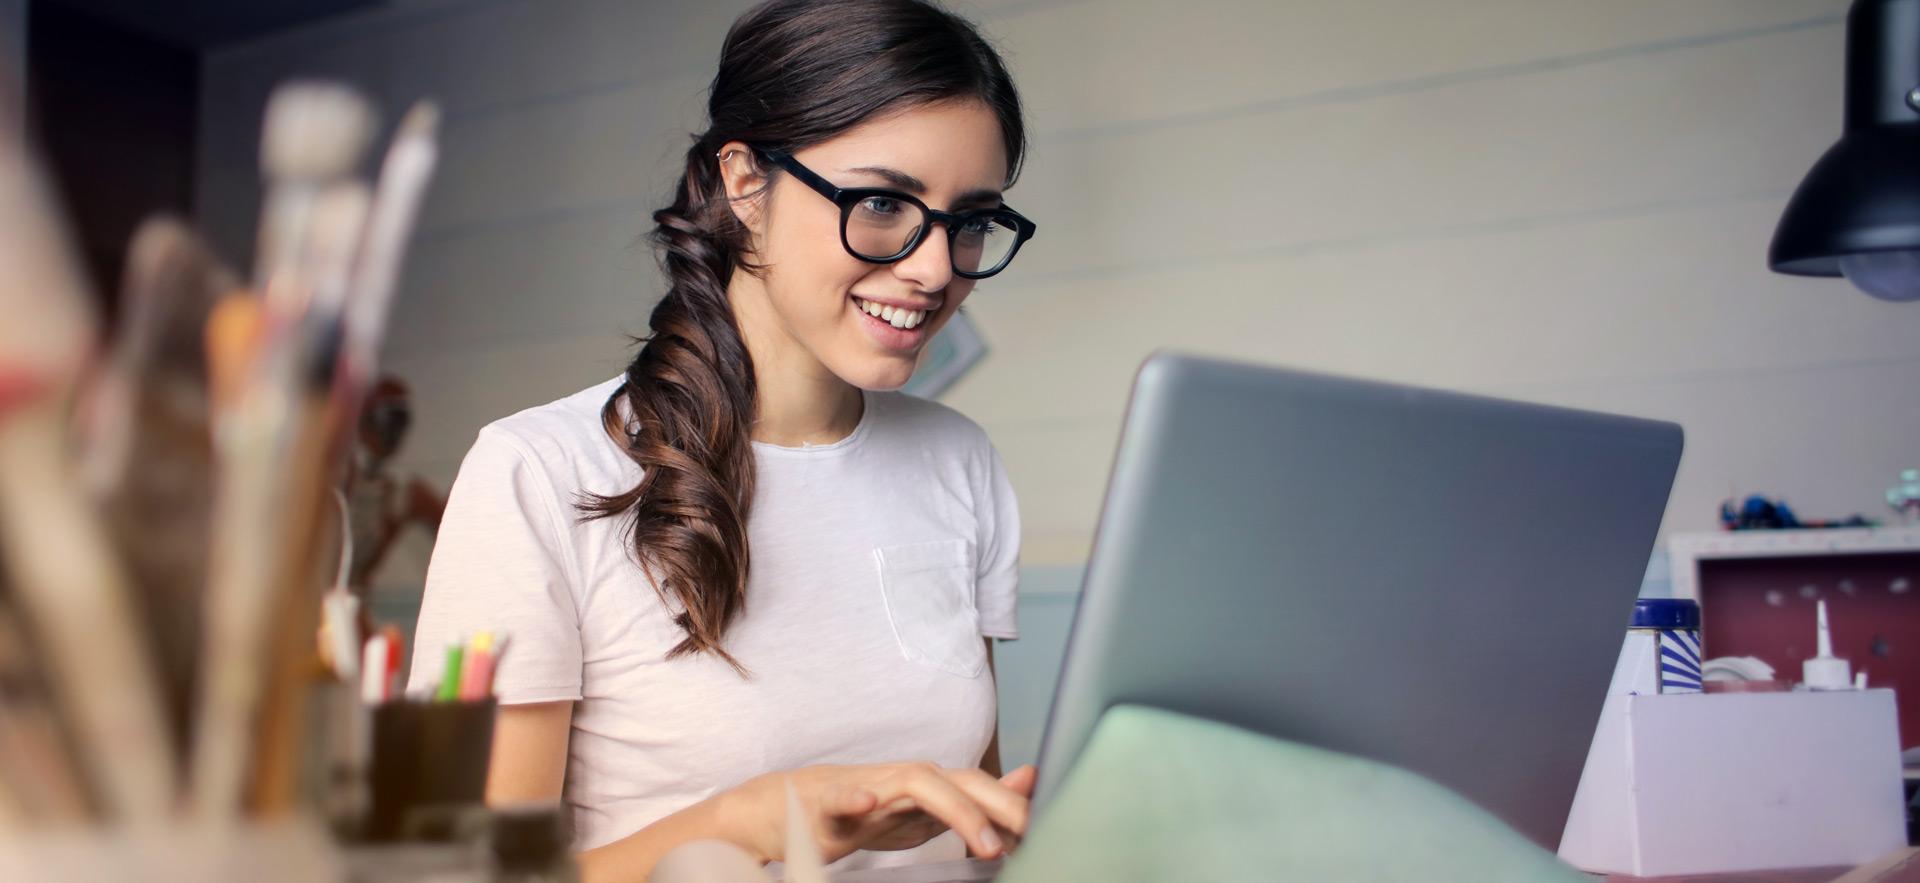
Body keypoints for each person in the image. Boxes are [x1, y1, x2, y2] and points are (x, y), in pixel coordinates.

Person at [407, 1, 1041, 879]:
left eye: (970, 220)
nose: (934, 268)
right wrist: (751, 822)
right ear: (744, 180)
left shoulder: (958, 459)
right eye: (885, 203)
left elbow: (975, 828)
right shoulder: (535, 473)